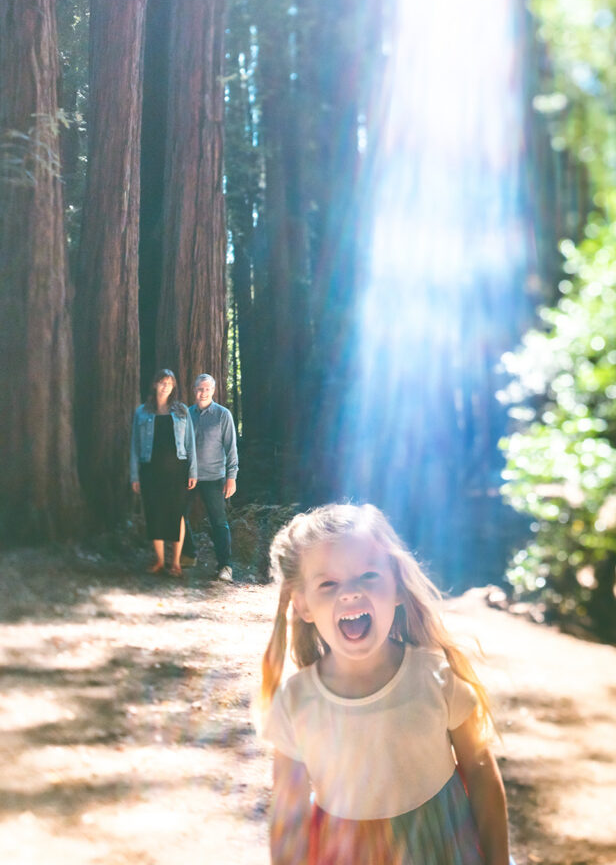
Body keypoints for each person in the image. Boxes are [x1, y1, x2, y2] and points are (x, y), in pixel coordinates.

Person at [259, 504, 511, 865]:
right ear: (303, 606)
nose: (349, 593)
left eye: (368, 576)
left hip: (442, 848)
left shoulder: (435, 679)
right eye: (328, 583)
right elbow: (288, 811)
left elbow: (481, 770)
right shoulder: (296, 702)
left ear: (397, 587)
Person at [130, 369, 197, 577]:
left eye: (169, 383)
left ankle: (175, 563)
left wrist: (193, 471)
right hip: (150, 469)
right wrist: (134, 475)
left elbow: (190, 443)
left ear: (173, 386)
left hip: (177, 471)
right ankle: (160, 561)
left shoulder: (182, 411)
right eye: (162, 382)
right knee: (154, 512)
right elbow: (134, 445)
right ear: (154, 385)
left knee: (177, 514)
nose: (165, 386)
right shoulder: (142, 412)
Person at [181, 373, 238, 582]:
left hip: (214, 477)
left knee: (218, 522)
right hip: (189, 477)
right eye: (199, 388)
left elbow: (231, 448)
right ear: (194, 390)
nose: (203, 392)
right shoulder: (187, 414)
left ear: (213, 391)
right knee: (179, 516)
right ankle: (189, 554)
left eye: (207, 389)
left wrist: (232, 476)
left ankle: (225, 566)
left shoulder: (223, 415)